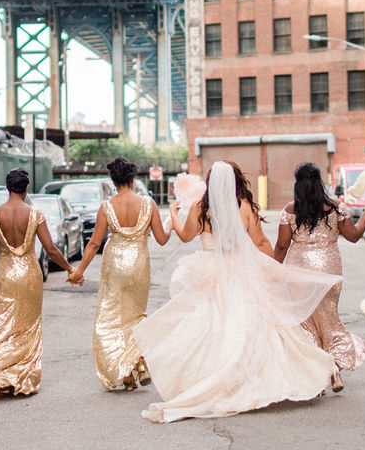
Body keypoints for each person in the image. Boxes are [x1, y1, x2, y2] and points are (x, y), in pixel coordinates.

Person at [132, 161, 340, 423]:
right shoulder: (244, 207)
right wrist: (275, 269)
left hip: (209, 273)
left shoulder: (200, 207)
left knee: (207, 326)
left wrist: (174, 215)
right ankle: (250, 375)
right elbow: (261, 242)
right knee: (249, 324)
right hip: (240, 272)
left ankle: (212, 377)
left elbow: (185, 236)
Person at [0, 168, 76, 404]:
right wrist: (70, 269)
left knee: (1, 324)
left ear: (7, 187)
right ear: (26, 189)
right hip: (28, 275)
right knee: (27, 325)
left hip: (4, 274)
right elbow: (52, 249)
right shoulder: (34, 214)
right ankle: (21, 378)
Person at [67, 157, 172, 391]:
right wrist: (171, 222)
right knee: (136, 315)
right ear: (133, 179)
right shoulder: (148, 204)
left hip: (114, 264)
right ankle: (139, 362)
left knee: (112, 319)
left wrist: (79, 271)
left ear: (113, 182)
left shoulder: (106, 207)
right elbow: (163, 239)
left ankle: (126, 374)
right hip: (139, 264)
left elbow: (94, 243)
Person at [274, 162, 365, 393]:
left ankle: (317, 378)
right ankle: (333, 368)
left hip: (298, 270)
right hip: (329, 270)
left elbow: (281, 245)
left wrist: (272, 270)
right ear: (319, 181)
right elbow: (354, 236)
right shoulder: (335, 207)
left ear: (298, 183)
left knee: (306, 322)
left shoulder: (290, 211)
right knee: (329, 319)